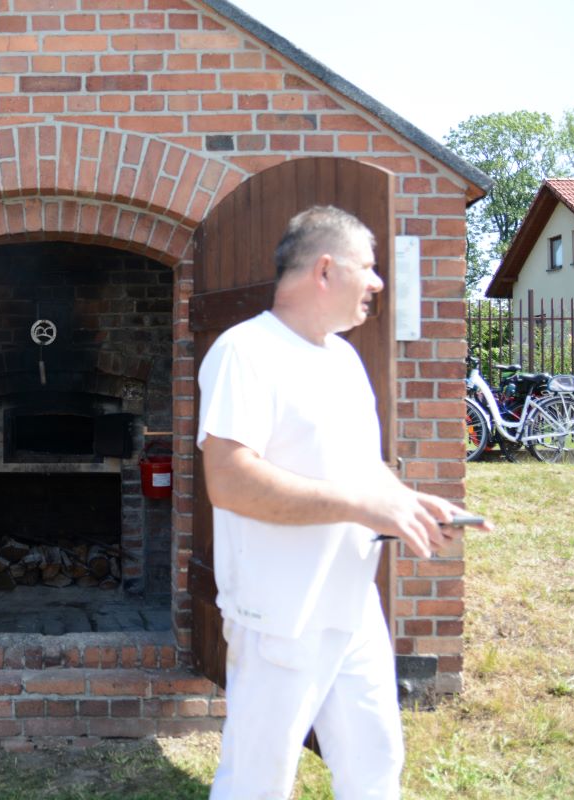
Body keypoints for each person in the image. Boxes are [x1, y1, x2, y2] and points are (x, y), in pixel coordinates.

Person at [197, 206, 489, 799]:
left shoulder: (343, 358)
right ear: (325, 270)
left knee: (376, 764)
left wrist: (406, 502)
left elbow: (360, 469)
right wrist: (361, 505)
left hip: (352, 605)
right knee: (257, 783)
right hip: (279, 614)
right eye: (368, 267)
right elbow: (228, 480)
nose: (378, 282)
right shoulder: (244, 351)